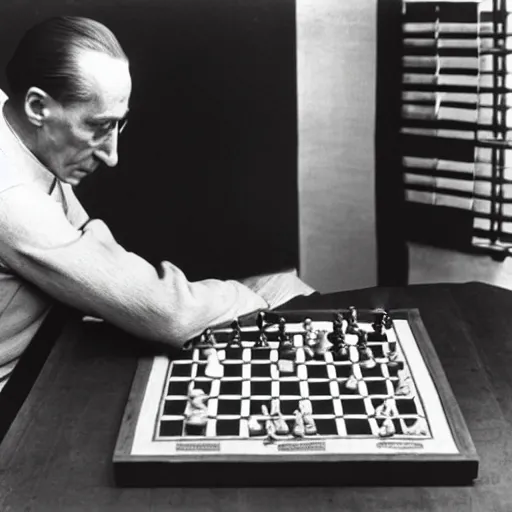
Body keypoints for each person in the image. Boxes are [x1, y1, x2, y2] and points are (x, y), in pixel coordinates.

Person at [0, 16, 315, 392]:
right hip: (17, 397)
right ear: (37, 106)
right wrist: (259, 298)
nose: (112, 155)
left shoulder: (10, 113)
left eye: (120, 125)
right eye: (99, 126)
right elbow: (169, 317)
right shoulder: (13, 200)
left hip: (56, 344)